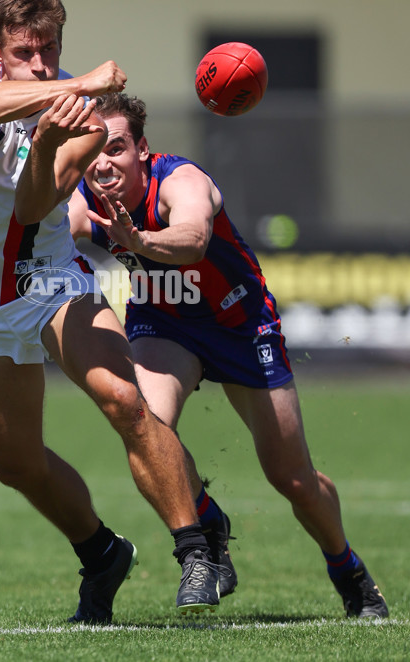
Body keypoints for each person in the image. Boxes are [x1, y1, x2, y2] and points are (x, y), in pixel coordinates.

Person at [0, 0, 223, 625]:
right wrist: (67, 88)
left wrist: (48, 135)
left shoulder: (84, 118)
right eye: (23, 51)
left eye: (50, 49)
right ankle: (101, 553)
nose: (38, 61)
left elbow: (36, 207)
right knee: (15, 464)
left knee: (125, 400)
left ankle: (198, 548)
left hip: (51, 277)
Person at [68, 91, 389, 619]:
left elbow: (193, 239)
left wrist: (139, 240)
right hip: (164, 322)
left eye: (117, 147)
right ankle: (204, 523)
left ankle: (346, 568)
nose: (103, 161)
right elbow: (56, 225)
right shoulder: (86, 194)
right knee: (143, 424)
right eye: (92, 148)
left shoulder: (181, 181)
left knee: (291, 479)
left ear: (142, 150)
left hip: (240, 324)